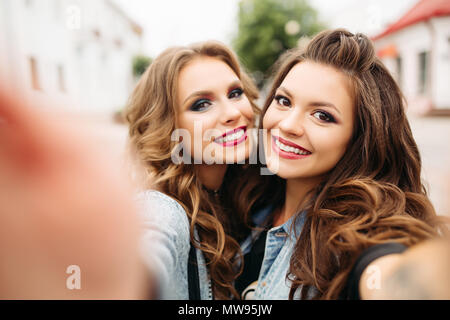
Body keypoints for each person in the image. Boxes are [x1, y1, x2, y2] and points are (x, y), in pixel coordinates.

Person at [239, 29, 449, 300]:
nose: (288, 125)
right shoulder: (251, 198)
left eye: (322, 116)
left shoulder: (359, 237)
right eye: (283, 101)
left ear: (360, 139)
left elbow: (383, 275)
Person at [124, 41, 260, 299]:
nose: (232, 112)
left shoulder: (249, 187)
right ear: (168, 126)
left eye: (235, 93)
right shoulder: (162, 210)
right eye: (201, 104)